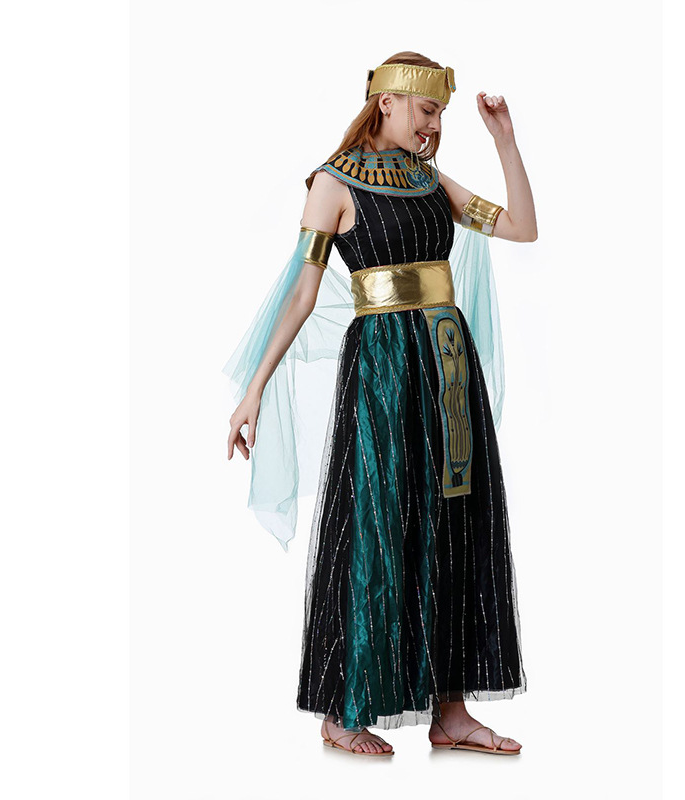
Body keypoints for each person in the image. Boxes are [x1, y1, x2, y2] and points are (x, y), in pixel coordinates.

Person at [225, 52, 538, 757]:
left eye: (441, 115)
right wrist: (255, 388)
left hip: (448, 367)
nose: (434, 127)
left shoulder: (430, 181)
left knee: (454, 520)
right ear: (388, 102)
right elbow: (301, 293)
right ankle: (342, 709)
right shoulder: (332, 184)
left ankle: (451, 712)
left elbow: (521, 227)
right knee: (375, 521)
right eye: (427, 110)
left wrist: (505, 142)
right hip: (384, 369)